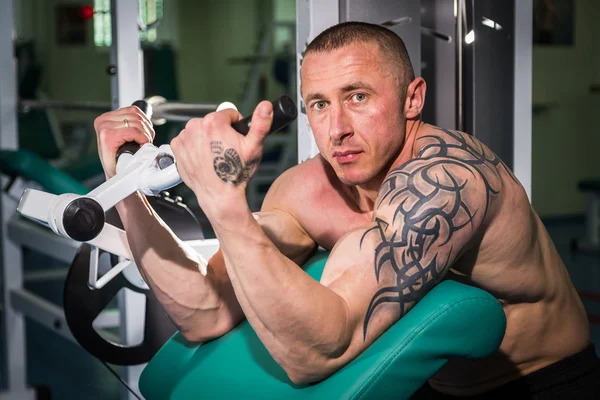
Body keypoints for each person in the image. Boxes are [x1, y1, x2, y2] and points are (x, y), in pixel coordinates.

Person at [93, 22, 599, 398]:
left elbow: (314, 355)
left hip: (540, 384)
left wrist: (223, 201)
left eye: (357, 97)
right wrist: (124, 185)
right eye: (318, 104)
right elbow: (204, 312)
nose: (336, 129)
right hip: (426, 382)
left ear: (412, 98)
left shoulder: (447, 184)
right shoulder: (305, 190)